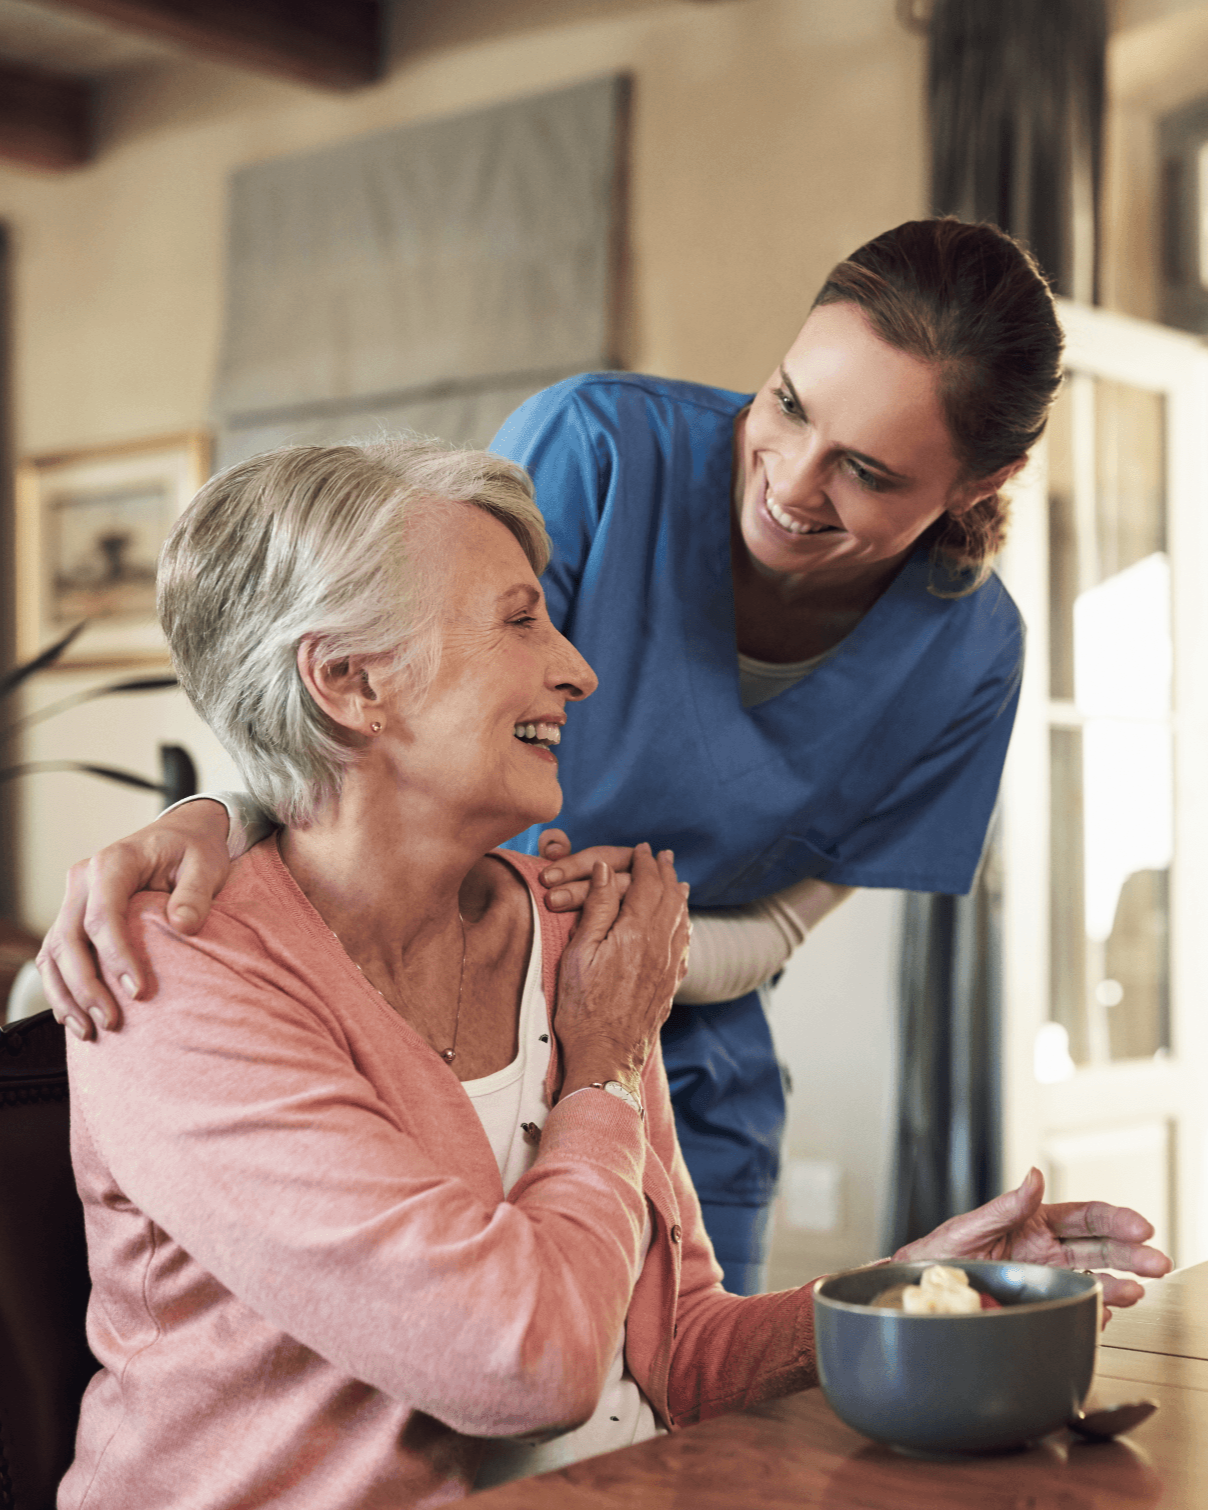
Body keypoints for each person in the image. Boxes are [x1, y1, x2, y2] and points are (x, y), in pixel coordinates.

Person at [61, 439, 1169, 1509]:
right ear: (352, 684)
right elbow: (526, 1365)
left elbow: (675, 1351)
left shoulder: (570, 934)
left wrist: (911, 1294)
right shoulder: (173, 979)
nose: (577, 668)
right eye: (519, 618)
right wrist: (595, 1065)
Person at [41, 218, 1063, 1294]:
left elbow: (779, 928)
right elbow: (382, 691)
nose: (792, 484)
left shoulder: (968, 650)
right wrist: (216, 818)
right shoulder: (600, 449)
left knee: (685, 1417)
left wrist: (638, 969)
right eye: (786, 404)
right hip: (444, 1007)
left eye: (862, 469)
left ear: (978, 480)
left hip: (686, 1058)